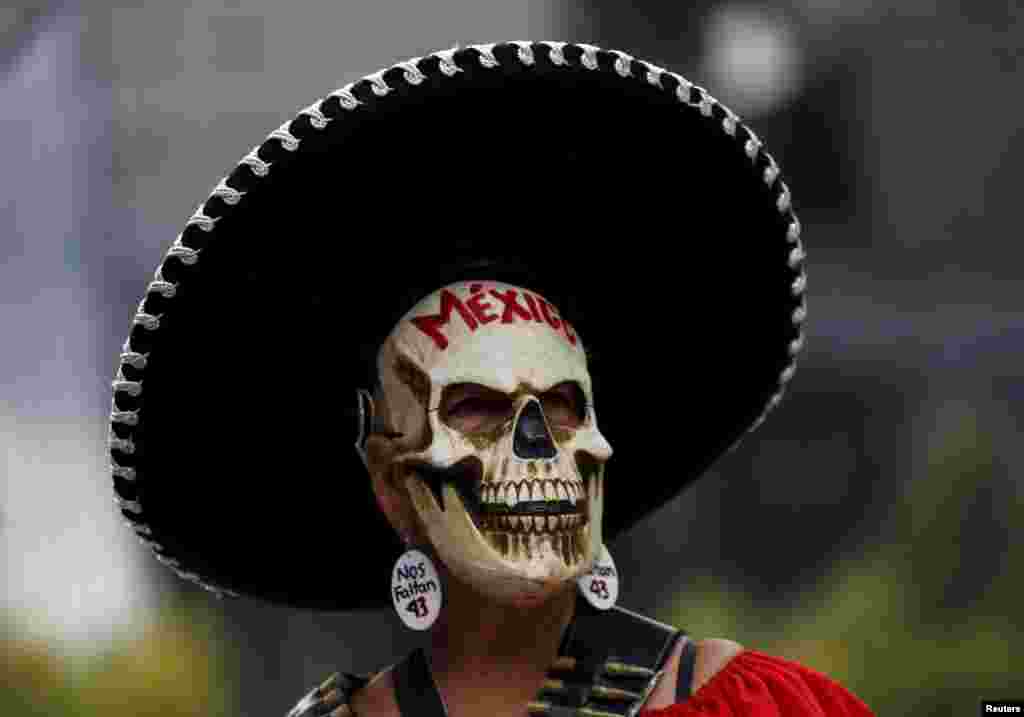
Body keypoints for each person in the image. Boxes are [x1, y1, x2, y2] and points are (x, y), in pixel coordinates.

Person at [108, 42, 873, 716]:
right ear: (390, 477)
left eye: (566, 405)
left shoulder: (758, 708)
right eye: (475, 408)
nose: (538, 445)